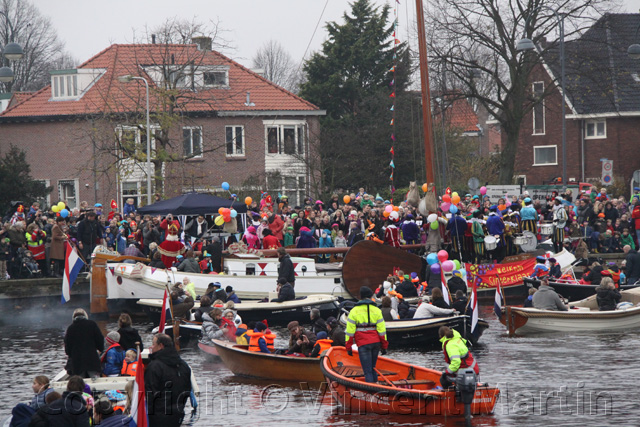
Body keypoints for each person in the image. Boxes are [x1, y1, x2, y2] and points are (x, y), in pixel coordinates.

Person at [145, 333, 192, 427]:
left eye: (153, 344)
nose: (151, 347)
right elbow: (187, 388)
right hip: (178, 413)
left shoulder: (154, 366)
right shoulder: (183, 365)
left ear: (160, 346)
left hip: (158, 415)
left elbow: (150, 393)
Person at [345, 286, 389, 383]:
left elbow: (349, 332)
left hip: (363, 344)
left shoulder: (354, 311)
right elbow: (382, 331)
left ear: (360, 296)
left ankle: (371, 393)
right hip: (376, 343)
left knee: (367, 371)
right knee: (373, 368)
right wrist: (384, 346)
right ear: (370, 296)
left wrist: (348, 348)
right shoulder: (377, 310)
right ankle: (377, 390)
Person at [64, 308, 104, 377]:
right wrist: (100, 349)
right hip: (92, 361)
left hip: (77, 363)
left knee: (80, 384)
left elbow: (68, 350)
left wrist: (72, 355)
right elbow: (100, 341)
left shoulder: (70, 328)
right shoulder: (92, 325)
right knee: (95, 382)